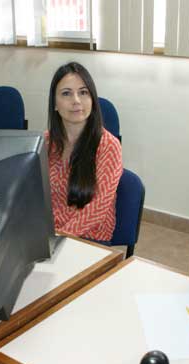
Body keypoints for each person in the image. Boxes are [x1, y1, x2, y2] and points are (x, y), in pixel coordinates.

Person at [46, 62, 123, 242]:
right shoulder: (45, 142)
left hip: (90, 238)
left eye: (83, 92)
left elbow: (99, 206)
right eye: (66, 93)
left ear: (92, 100)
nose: (76, 101)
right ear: (55, 104)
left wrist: (61, 236)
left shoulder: (108, 146)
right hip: (51, 233)